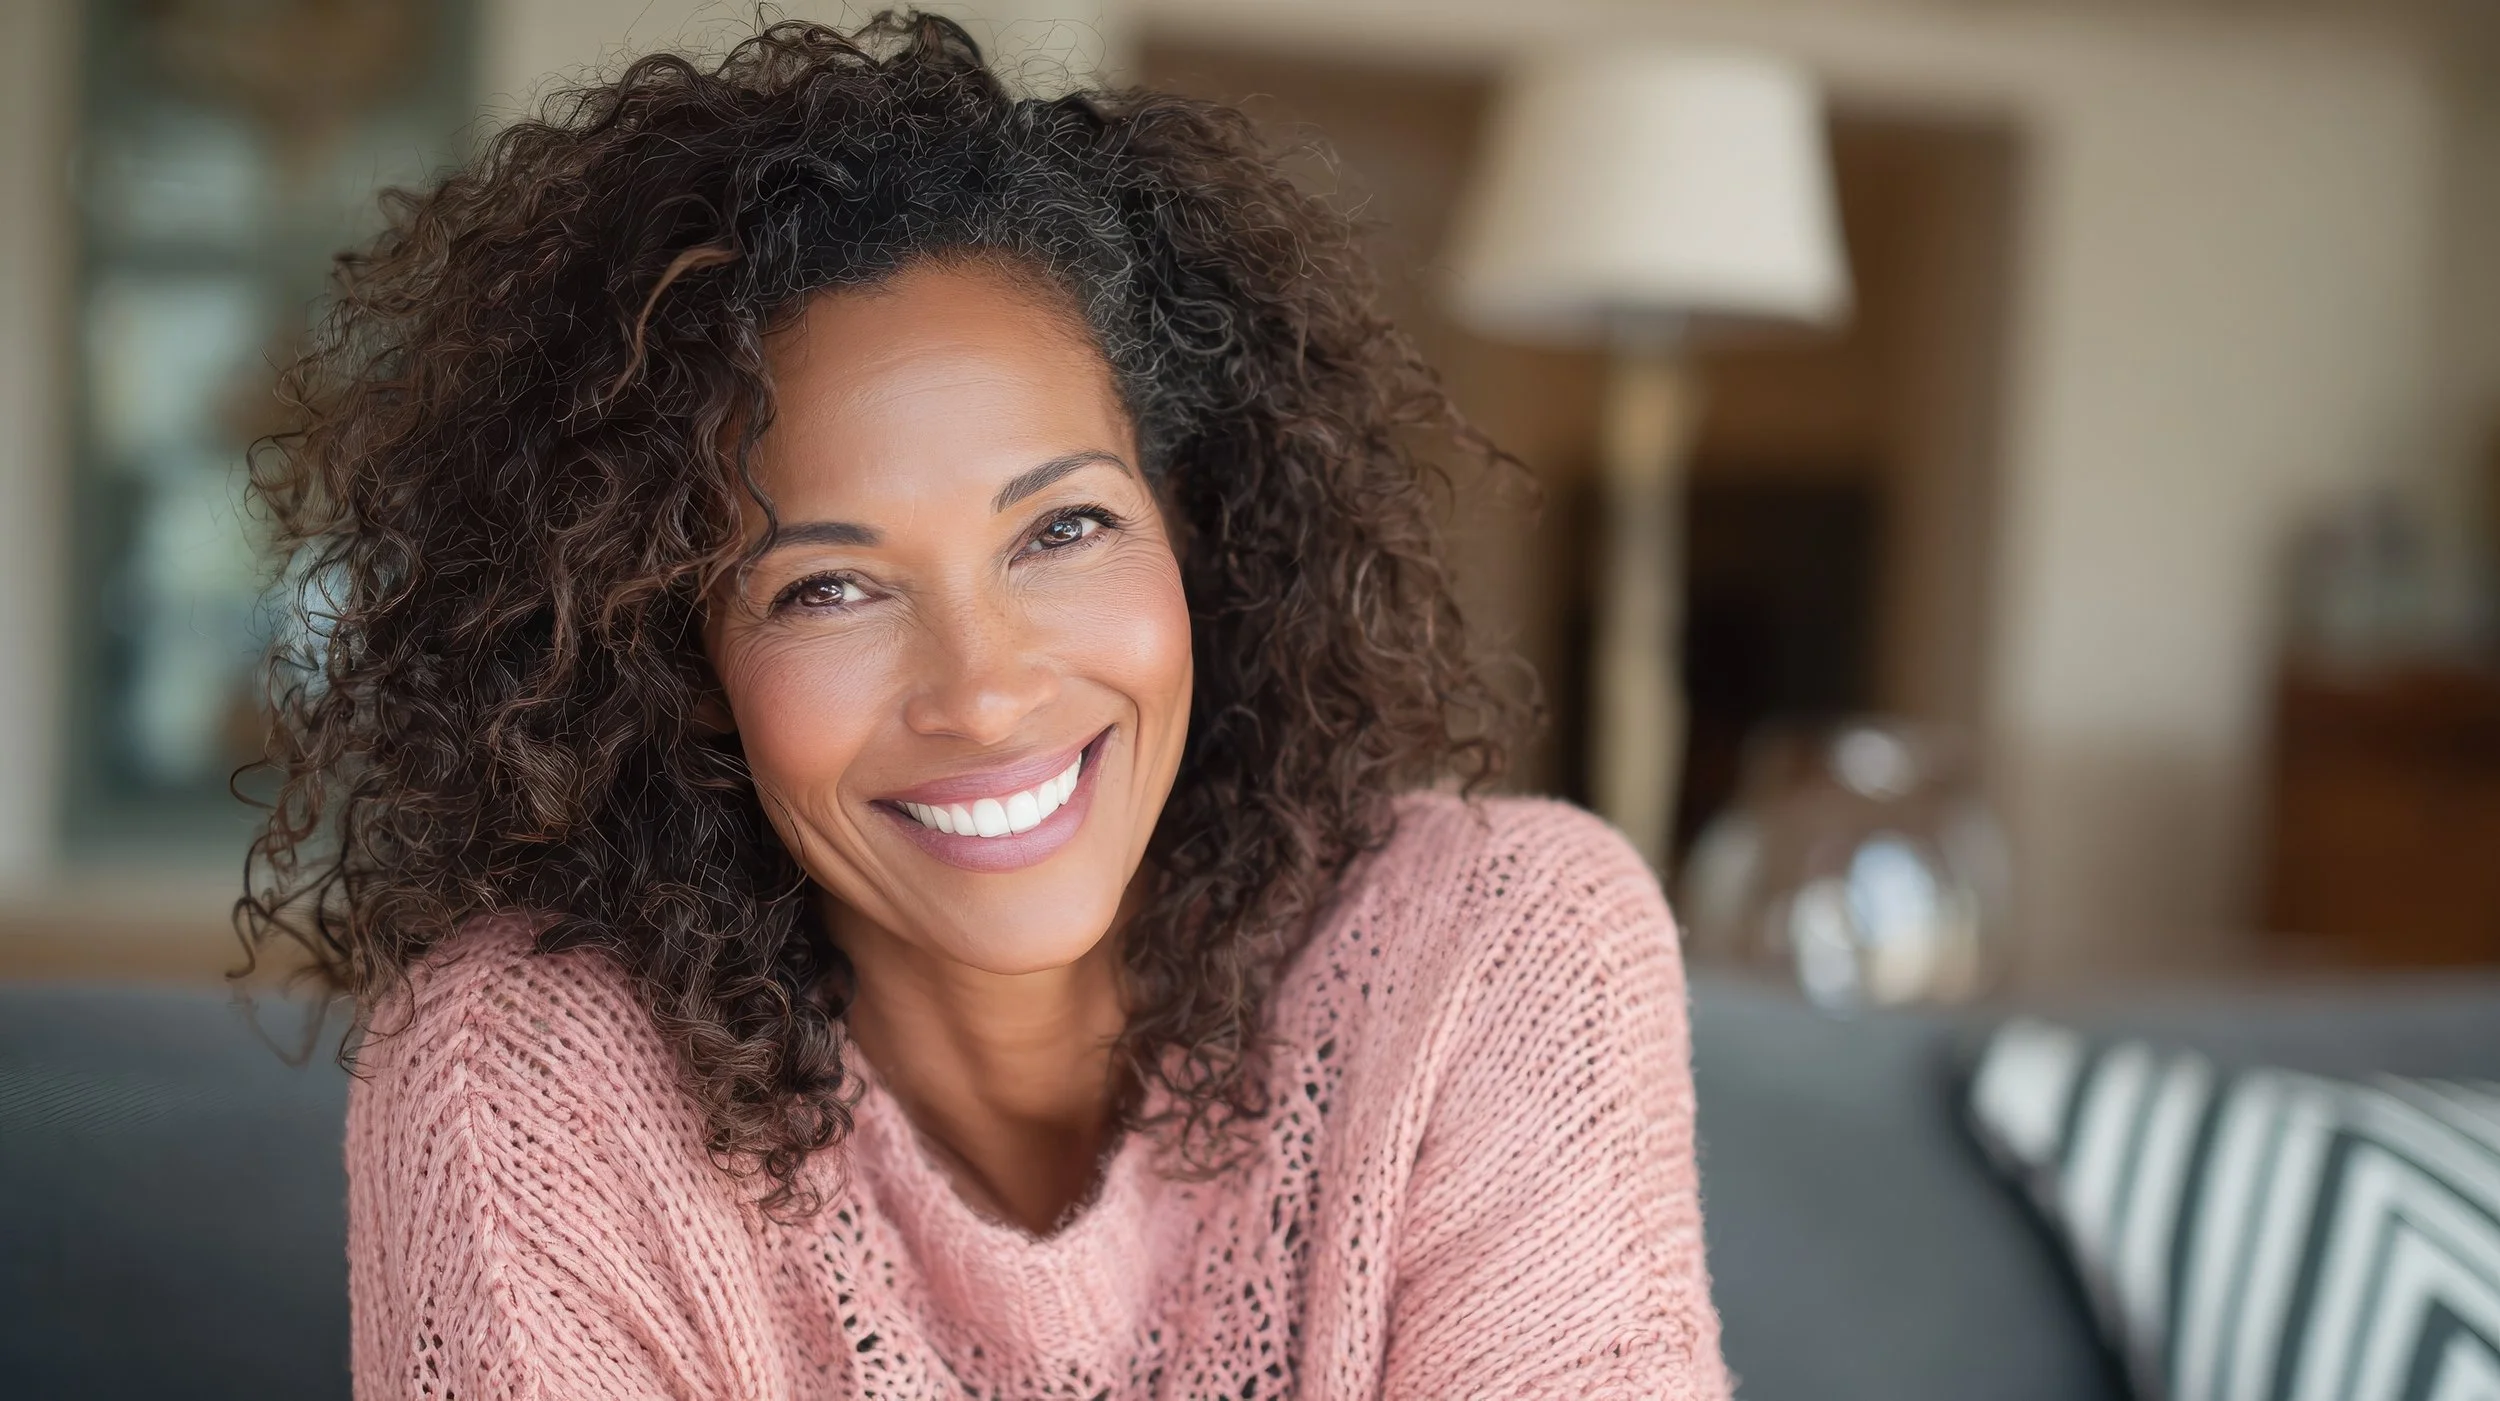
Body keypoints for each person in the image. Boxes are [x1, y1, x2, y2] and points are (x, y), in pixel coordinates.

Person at [241, 14, 1729, 1399]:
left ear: (1191, 537)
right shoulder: (533, 1086)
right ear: (680, 667)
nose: (986, 688)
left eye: (1064, 529)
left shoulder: (1502, 950)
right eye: (826, 588)